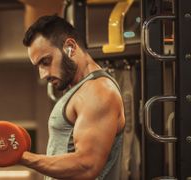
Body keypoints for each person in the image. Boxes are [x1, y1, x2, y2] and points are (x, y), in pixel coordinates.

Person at [19, 15, 125, 180]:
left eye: (46, 61)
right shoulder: (80, 89)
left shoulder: (98, 91)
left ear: (70, 47)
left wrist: (22, 157)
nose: (43, 74)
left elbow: (86, 165)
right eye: (39, 66)